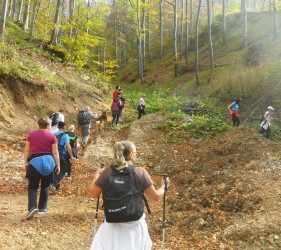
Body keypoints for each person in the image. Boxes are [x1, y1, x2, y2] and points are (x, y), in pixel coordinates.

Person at [89, 141, 169, 250]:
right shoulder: (140, 172)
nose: (136, 155)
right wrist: (164, 186)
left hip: (112, 224)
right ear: (131, 154)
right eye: (135, 153)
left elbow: (93, 193)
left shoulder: (107, 172)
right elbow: (155, 197)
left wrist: (97, 173)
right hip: (135, 225)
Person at [23, 117, 60, 220]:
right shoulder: (52, 136)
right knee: (45, 186)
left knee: (32, 187)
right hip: (48, 161)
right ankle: (42, 208)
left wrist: (25, 162)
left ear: (38, 124)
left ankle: (32, 207)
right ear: (48, 125)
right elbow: (55, 152)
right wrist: (58, 165)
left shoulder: (31, 135)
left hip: (34, 161)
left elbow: (27, 150)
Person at [52, 121, 75, 191]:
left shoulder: (54, 134)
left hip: (53, 154)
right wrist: (71, 156)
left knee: (54, 169)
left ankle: (54, 185)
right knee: (62, 170)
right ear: (63, 127)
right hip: (62, 154)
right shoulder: (65, 135)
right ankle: (54, 184)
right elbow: (68, 146)